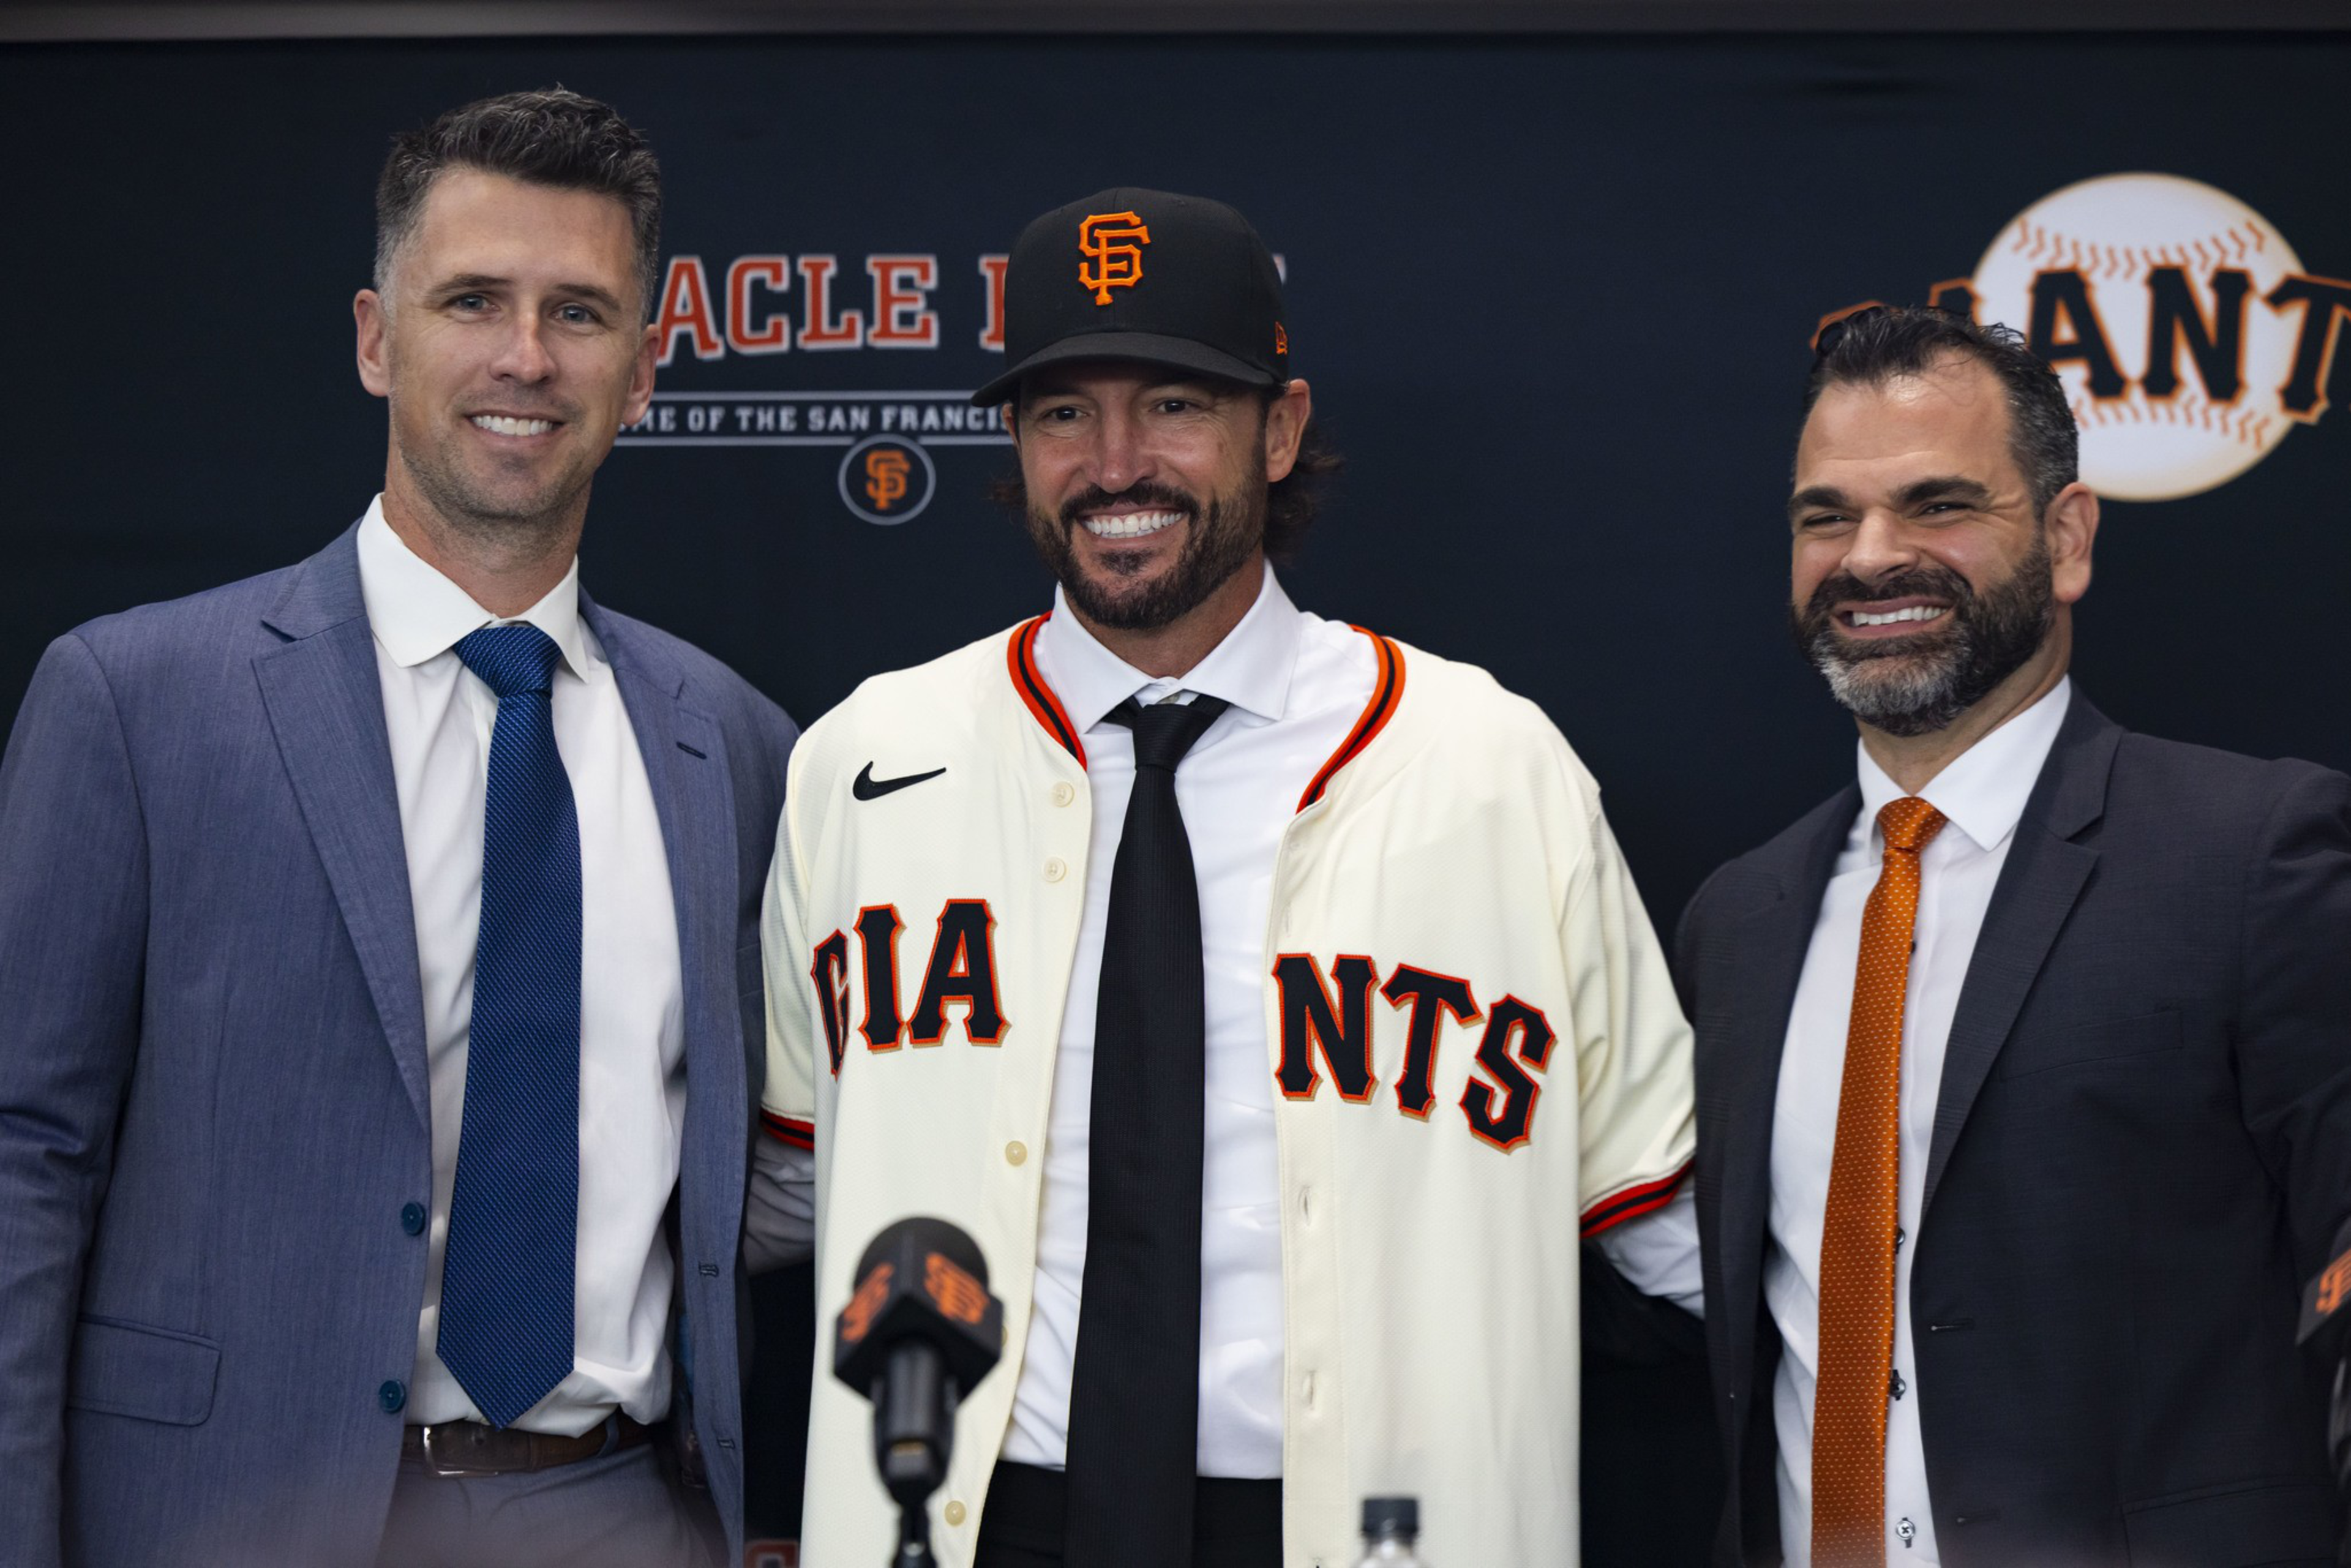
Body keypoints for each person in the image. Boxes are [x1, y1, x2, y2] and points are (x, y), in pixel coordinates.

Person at [746, 187, 1694, 1568]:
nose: (1115, 461)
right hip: (977, 1513)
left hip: (1365, 1523)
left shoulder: (1490, 765)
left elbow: (1670, 1221)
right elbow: (774, 1198)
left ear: (1282, 428)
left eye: (1177, 403)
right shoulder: (866, 762)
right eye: (1064, 411)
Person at [0, 89, 794, 1567]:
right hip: (234, 1516)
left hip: (619, 1514)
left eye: (580, 312)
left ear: (643, 370)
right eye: (473, 300)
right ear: (377, 338)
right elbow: (21, 1162)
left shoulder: (737, 745)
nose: (525, 357)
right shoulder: (134, 698)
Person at [1658, 306, 2351, 1564]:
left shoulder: (2254, 857)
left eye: (1938, 506)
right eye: (1827, 517)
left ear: (2069, 537)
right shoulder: (1737, 923)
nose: (1872, 558)